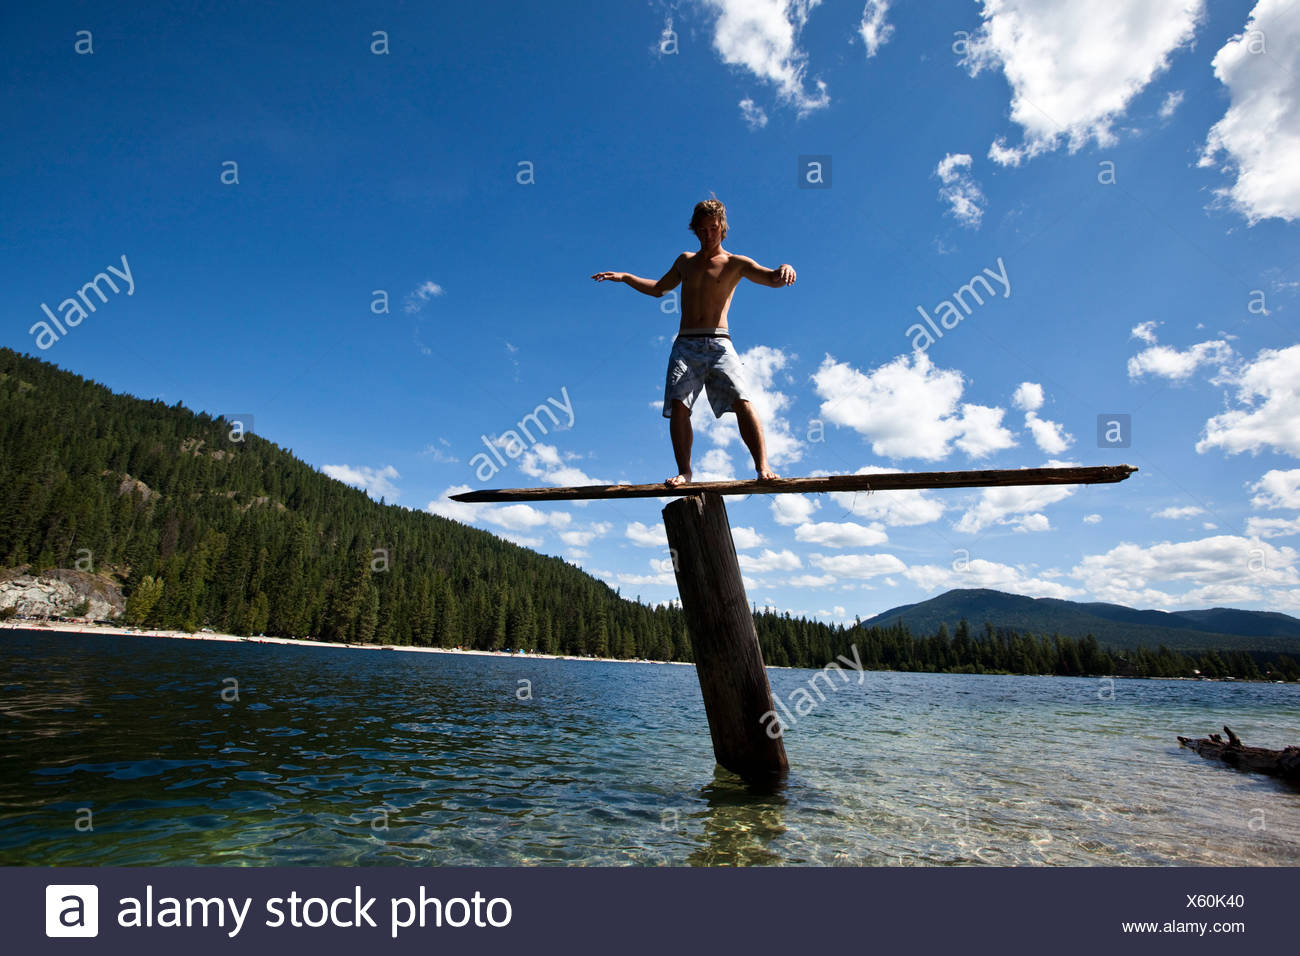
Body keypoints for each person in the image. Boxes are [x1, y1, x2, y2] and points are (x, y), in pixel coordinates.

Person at [592, 199, 796, 486]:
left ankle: (763, 466)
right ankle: (685, 471)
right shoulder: (685, 261)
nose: (707, 235)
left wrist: (785, 267)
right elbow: (659, 289)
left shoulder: (736, 263)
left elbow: (772, 278)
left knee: (742, 399)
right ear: (695, 230)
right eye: (701, 230)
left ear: (722, 228)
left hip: (719, 342)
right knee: (679, 405)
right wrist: (626, 277)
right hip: (686, 344)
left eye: (712, 229)